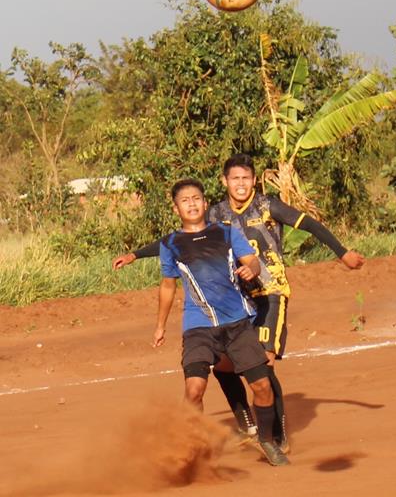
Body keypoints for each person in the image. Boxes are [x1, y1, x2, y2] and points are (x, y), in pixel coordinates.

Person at [113, 154, 365, 452]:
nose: (241, 184)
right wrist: (136, 254)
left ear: (254, 180)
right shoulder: (217, 213)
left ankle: (277, 435)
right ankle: (245, 419)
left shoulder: (268, 206)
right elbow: (179, 238)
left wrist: (342, 252)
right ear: (225, 182)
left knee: (264, 365)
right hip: (237, 299)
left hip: (270, 293)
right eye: (235, 179)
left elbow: (310, 225)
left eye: (246, 178)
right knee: (223, 365)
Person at [155, 178, 289, 466]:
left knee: (263, 386)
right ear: (176, 208)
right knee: (194, 389)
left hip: (238, 323)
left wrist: (251, 269)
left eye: (196, 198)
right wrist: (160, 325)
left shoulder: (226, 232)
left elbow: (251, 259)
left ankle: (266, 440)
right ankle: (190, 446)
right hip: (198, 327)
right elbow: (168, 286)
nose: (191, 203)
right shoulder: (170, 244)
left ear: (205, 204)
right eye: (184, 200)